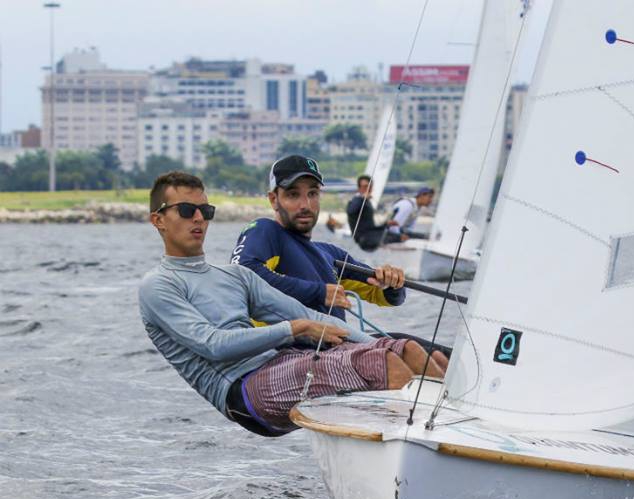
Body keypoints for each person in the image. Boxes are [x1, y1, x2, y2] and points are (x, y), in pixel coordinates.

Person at [138, 171, 445, 438]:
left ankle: (452, 437)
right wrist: (294, 329)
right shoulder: (158, 285)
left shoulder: (235, 276)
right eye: (188, 209)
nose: (199, 218)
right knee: (380, 363)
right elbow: (213, 345)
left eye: (206, 209)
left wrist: (381, 344)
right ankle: (418, 451)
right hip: (243, 391)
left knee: (405, 351)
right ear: (159, 220)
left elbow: (306, 315)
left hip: (283, 362)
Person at [233, 155, 451, 360]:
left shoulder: (329, 254)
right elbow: (243, 276)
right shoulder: (265, 231)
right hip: (291, 358)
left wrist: (392, 282)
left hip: (340, 351)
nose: (305, 205)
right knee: (409, 355)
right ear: (273, 200)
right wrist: (318, 292)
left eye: (312, 193)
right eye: (293, 194)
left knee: (432, 353)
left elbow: (383, 295)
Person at [345, 174, 402, 251]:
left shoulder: (368, 202)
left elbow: (371, 227)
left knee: (402, 234)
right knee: (399, 237)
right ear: (359, 188)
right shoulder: (355, 200)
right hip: (364, 240)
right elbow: (350, 211)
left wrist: (386, 224)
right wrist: (362, 198)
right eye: (365, 186)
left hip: (371, 235)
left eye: (369, 186)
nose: (367, 189)